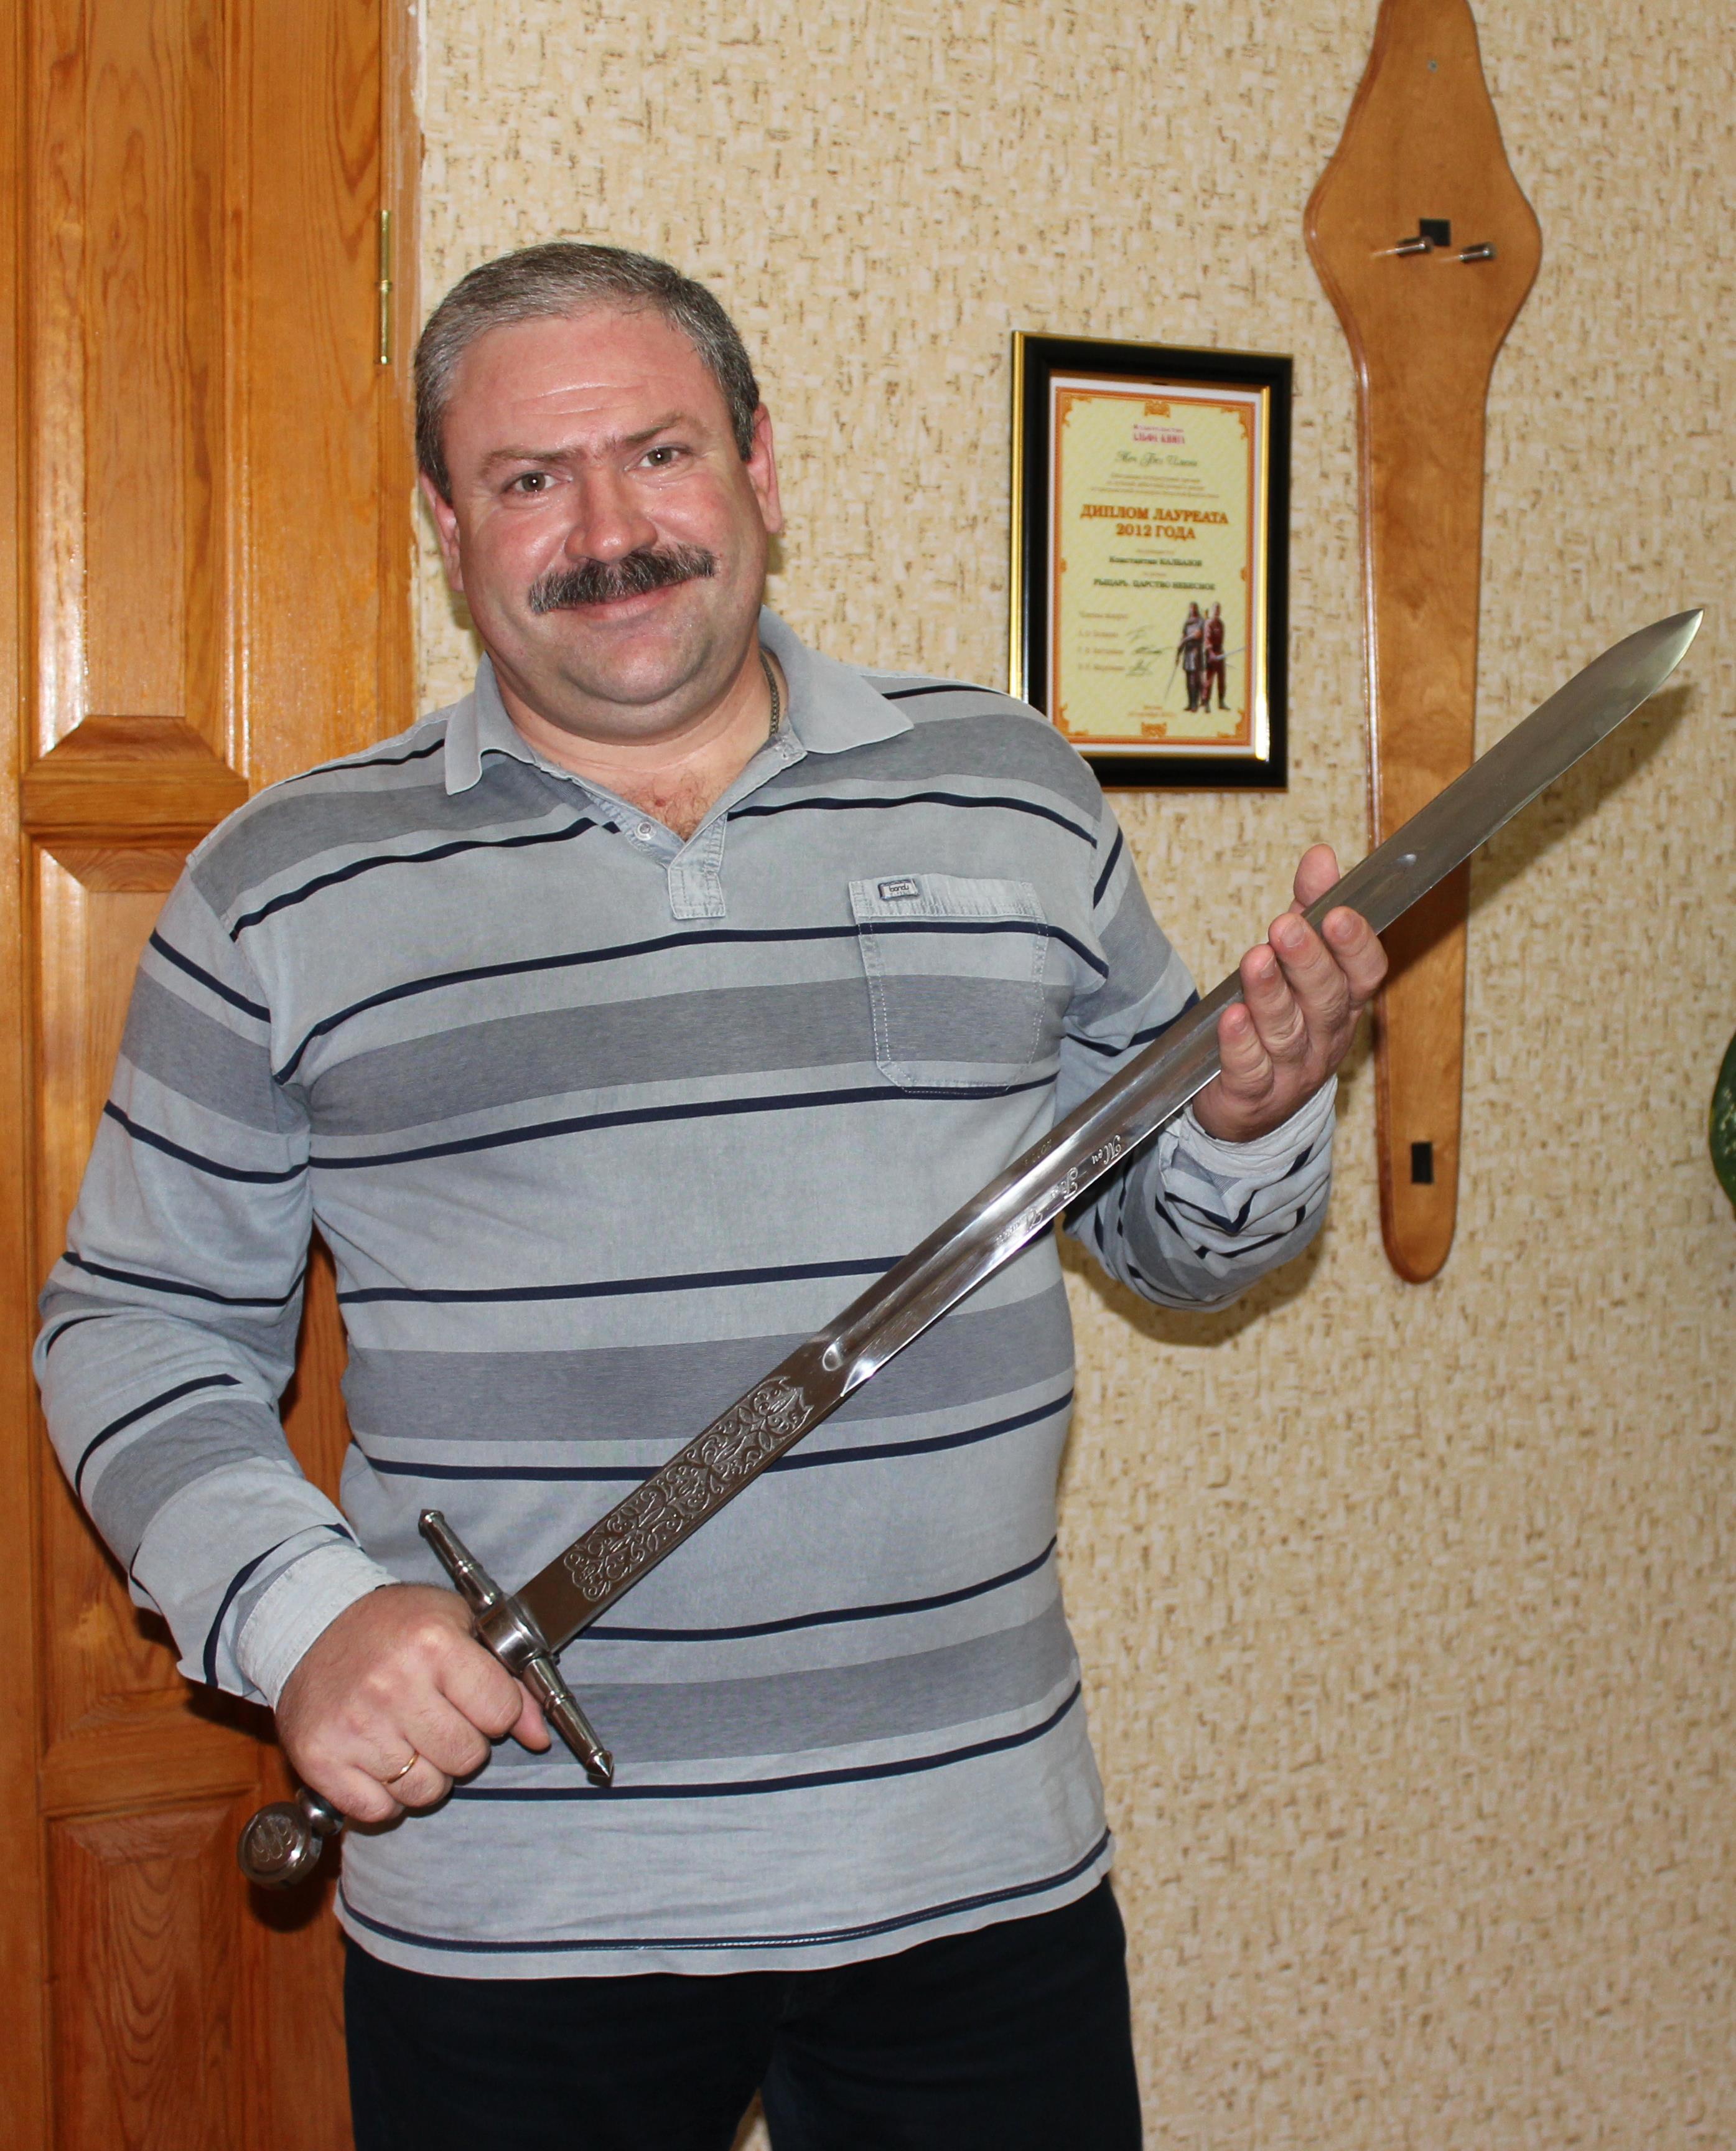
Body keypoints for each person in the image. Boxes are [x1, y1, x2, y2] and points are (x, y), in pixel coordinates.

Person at [36, 243, 1386, 2150]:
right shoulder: (286, 885)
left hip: (972, 1868)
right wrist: (301, 1618)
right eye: (529, 479)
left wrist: (1248, 1119)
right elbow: (134, 1326)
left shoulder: (1007, 794)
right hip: (519, 1907)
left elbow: (1178, 1245)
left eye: (658, 453)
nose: (609, 531)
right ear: (446, 525)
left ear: (758, 463)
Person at [1176, 600, 1205, 711]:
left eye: (1194, 608)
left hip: (1196, 652)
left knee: (1195, 680)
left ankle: (1195, 704)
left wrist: (1185, 640)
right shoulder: (1187, 623)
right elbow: (1183, 638)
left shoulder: (1201, 622)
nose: (1192, 610)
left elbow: (1197, 635)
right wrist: (1178, 654)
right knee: (1189, 681)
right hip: (1188, 653)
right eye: (1191, 608)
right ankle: (1190, 703)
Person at [1203, 601, 1228, 711]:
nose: (1217, 612)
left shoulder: (1221, 624)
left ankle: (1221, 702)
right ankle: (1206, 703)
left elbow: (1221, 640)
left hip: (1220, 652)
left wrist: (1220, 654)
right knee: (1209, 680)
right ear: (1212, 611)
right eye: (1215, 610)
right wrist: (1211, 654)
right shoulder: (1209, 623)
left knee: (1222, 679)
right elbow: (1207, 640)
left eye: (1218, 610)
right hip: (1211, 654)